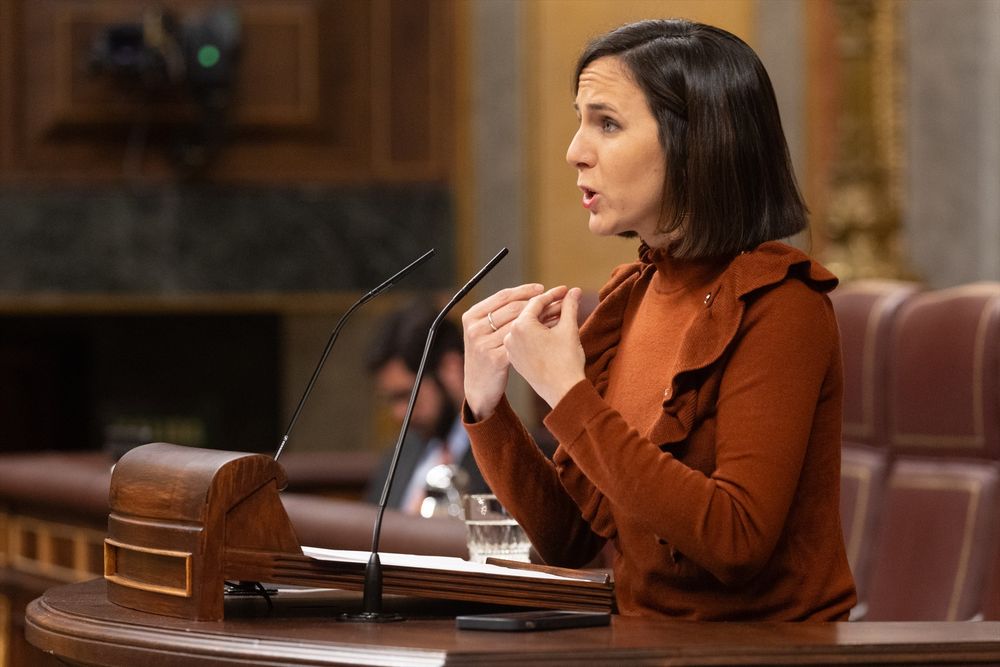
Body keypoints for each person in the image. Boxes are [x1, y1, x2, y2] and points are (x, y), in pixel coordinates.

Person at [461, 19, 857, 621]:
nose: (575, 150)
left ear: (695, 141)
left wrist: (568, 394)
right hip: (640, 646)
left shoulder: (783, 304)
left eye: (607, 123)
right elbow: (571, 539)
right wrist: (488, 408)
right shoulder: (631, 297)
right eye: (579, 119)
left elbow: (735, 541)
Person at [364, 298, 490, 515]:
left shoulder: (506, 454)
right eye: (391, 399)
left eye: (407, 395)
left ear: (450, 369)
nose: (398, 413)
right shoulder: (399, 454)